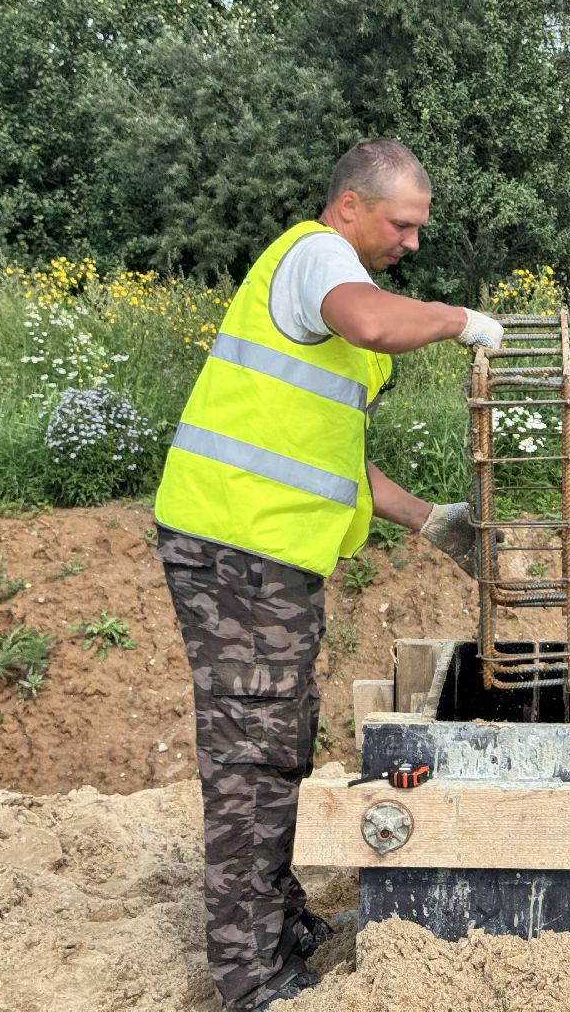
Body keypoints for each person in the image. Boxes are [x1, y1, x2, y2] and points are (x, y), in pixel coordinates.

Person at [152, 138, 503, 1012]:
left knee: (280, 741)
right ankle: (252, 973)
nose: (413, 242)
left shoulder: (328, 289)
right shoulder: (319, 257)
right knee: (250, 757)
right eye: (403, 223)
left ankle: (281, 922)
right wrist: (461, 320)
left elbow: (333, 460)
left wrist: (431, 521)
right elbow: (379, 321)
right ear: (350, 205)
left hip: (267, 556)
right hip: (237, 551)